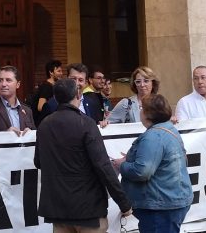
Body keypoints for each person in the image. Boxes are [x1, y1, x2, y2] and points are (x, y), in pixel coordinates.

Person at [35, 78, 133, 232]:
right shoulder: (85, 123)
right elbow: (103, 166)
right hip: (88, 209)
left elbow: (38, 162)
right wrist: (124, 204)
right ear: (78, 96)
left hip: (58, 208)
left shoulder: (44, 125)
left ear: (55, 98)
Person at [114, 95, 192, 233]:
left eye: (142, 108)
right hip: (168, 202)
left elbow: (142, 171)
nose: (140, 111)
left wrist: (121, 165)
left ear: (148, 114)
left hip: (160, 206)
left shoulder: (153, 136)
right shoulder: (169, 129)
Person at [31, 59, 63, 125]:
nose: (61, 73)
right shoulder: (46, 87)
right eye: (58, 71)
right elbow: (40, 107)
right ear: (51, 72)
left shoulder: (53, 86)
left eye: (61, 71)